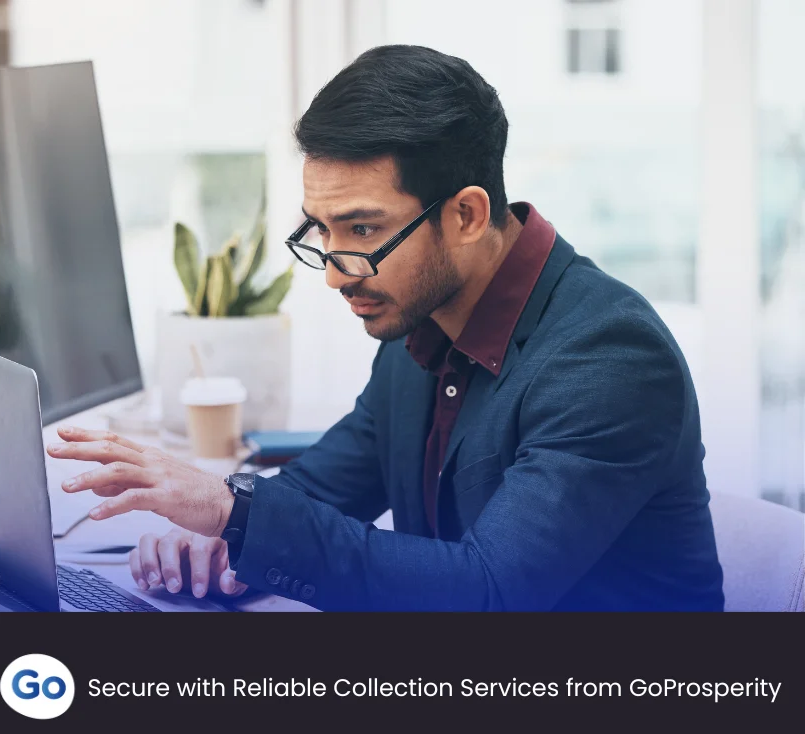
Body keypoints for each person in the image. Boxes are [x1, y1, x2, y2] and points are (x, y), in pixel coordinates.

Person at [47, 45, 724, 611]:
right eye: (323, 229)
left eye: (363, 230)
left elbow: (490, 592)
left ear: (464, 215)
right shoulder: (421, 327)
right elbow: (323, 489)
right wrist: (219, 532)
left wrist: (236, 513)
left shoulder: (609, 361)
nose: (336, 274)